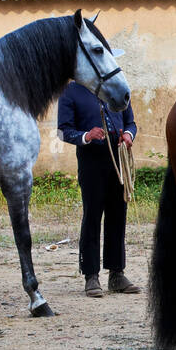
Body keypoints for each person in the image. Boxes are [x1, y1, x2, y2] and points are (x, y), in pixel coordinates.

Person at [57, 80, 140, 297]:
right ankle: (91, 275)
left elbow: (131, 123)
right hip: (91, 161)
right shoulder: (70, 92)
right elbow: (63, 132)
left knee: (118, 216)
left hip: (118, 160)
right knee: (92, 216)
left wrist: (128, 136)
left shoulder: (118, 89)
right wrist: (86, 136)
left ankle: (116, 273)